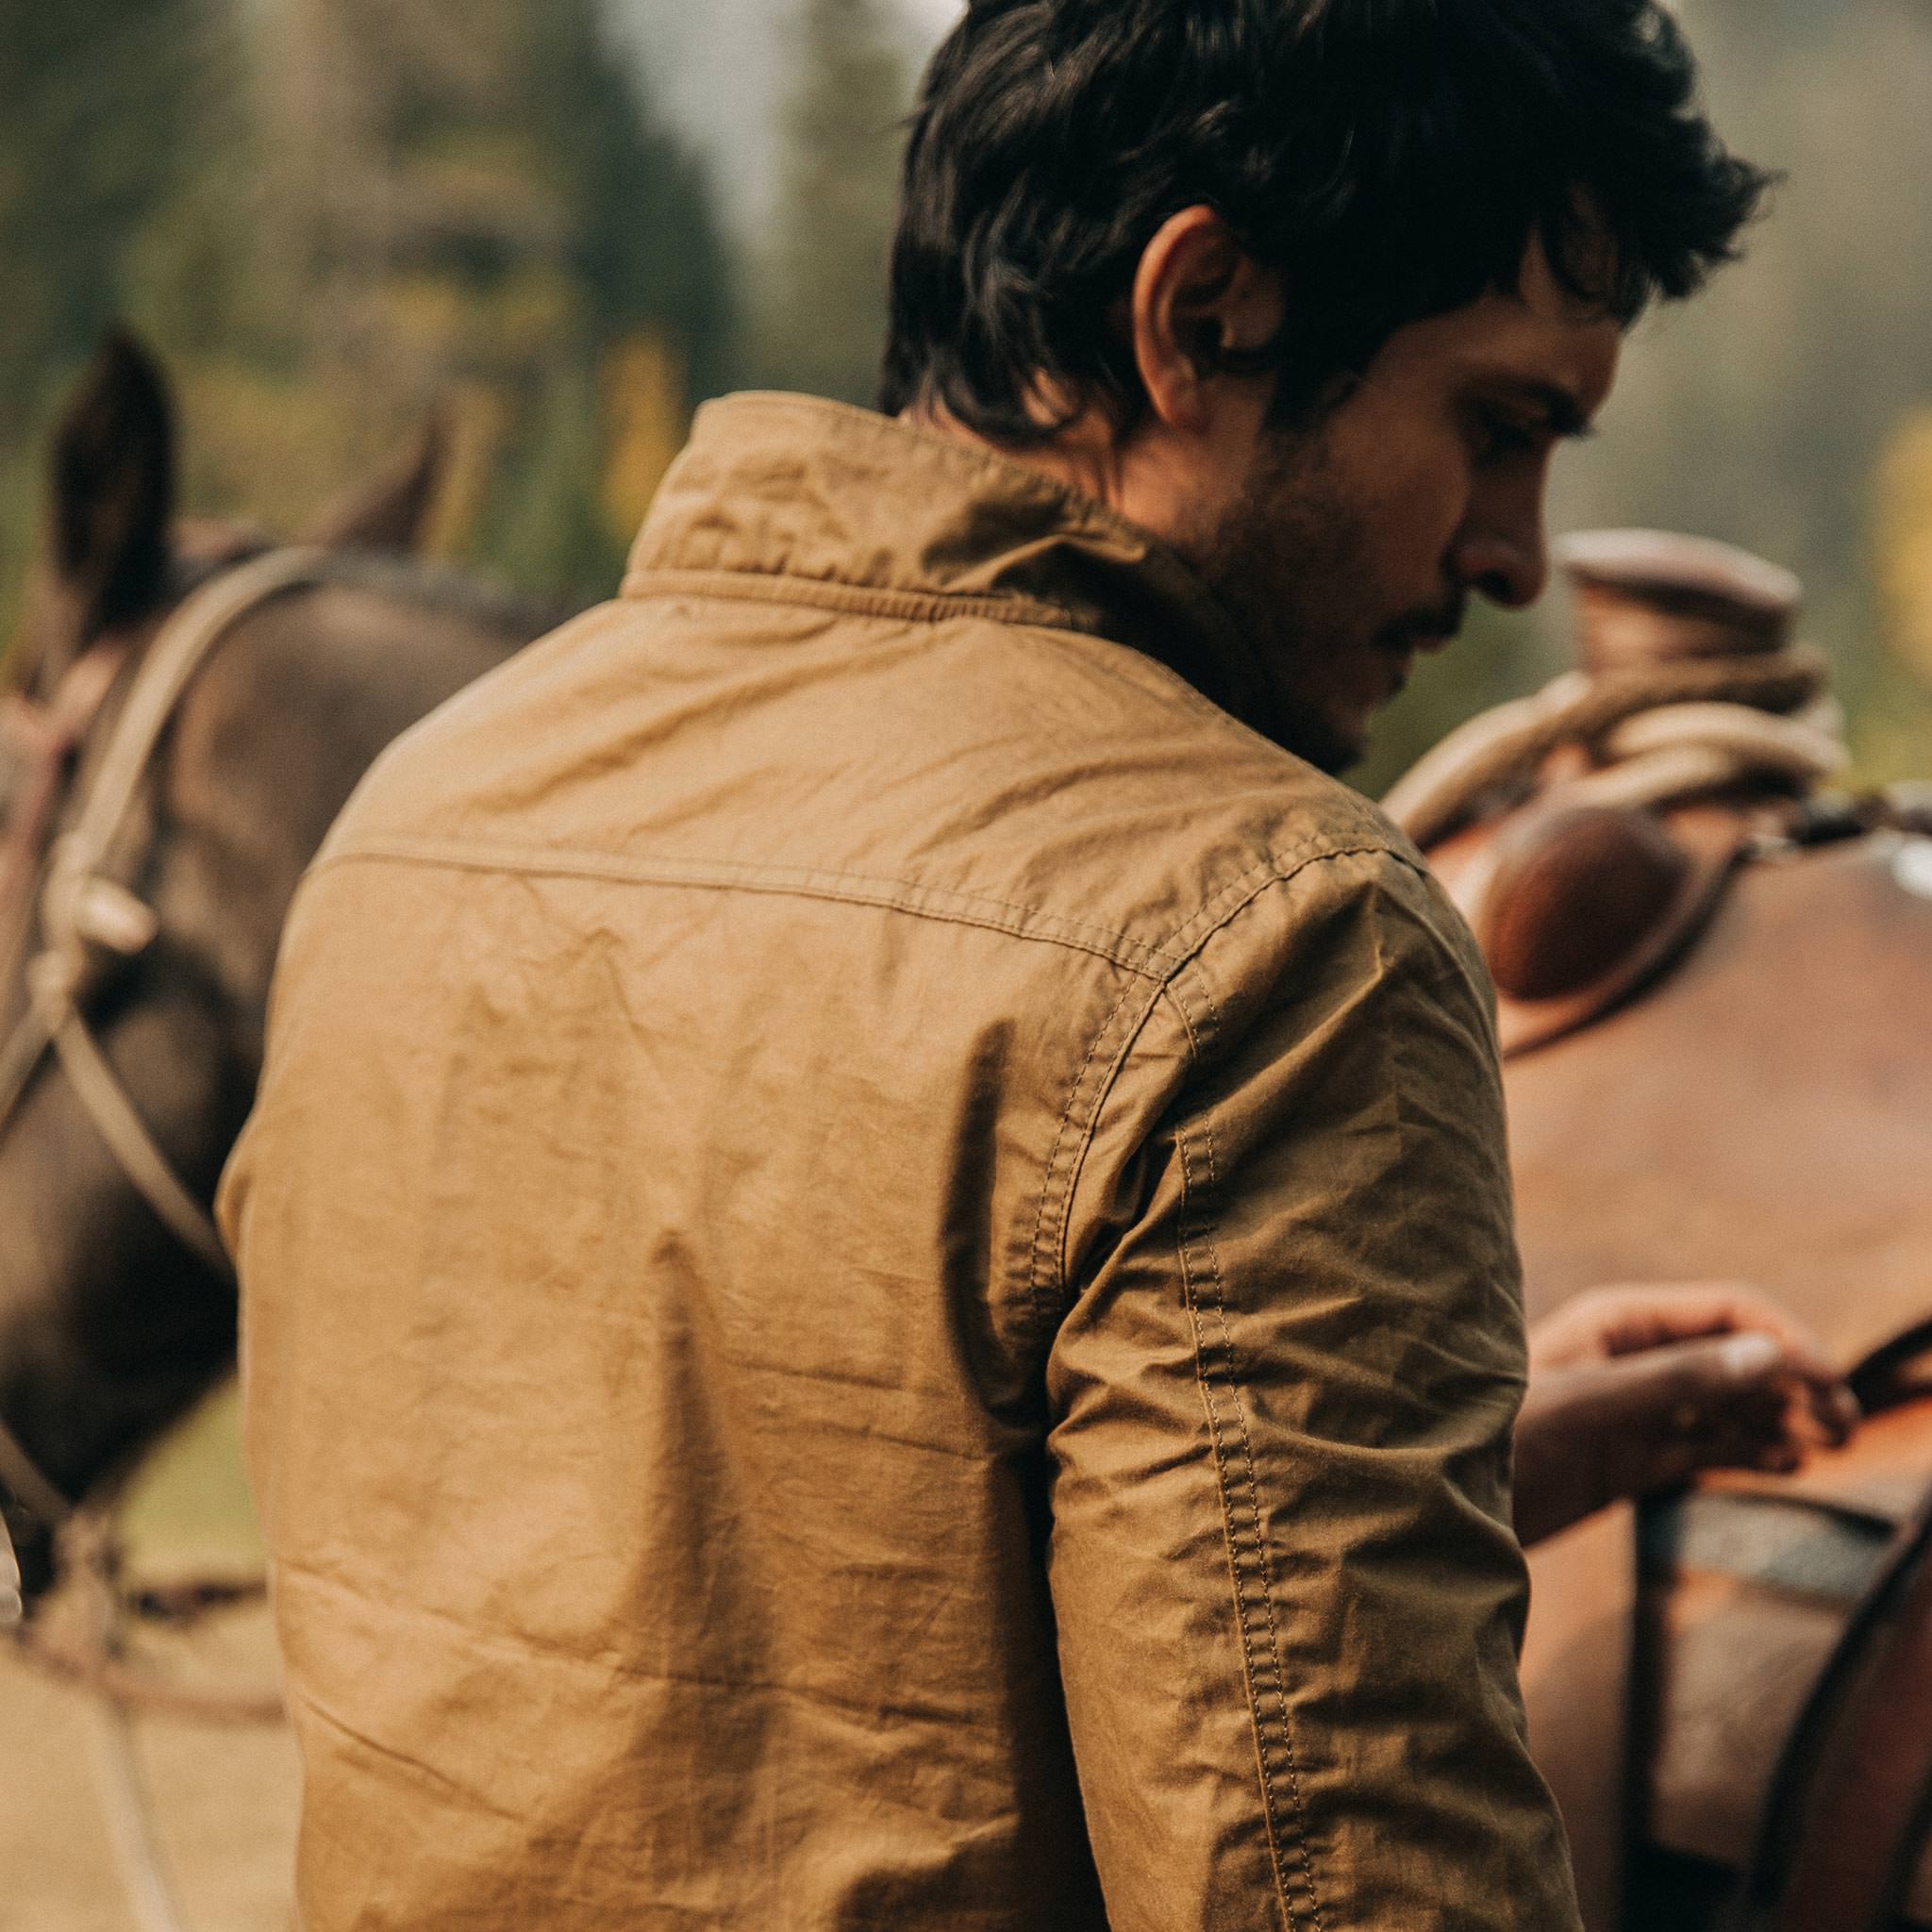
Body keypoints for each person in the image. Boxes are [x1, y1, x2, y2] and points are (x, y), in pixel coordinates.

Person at [219, 4, 1839, 1928]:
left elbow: (688, 1609)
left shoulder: (424, 819)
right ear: (1204, 312)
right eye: (1495, 429)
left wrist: (1380, 1483)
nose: (1515, 556)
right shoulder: (1268, 931)